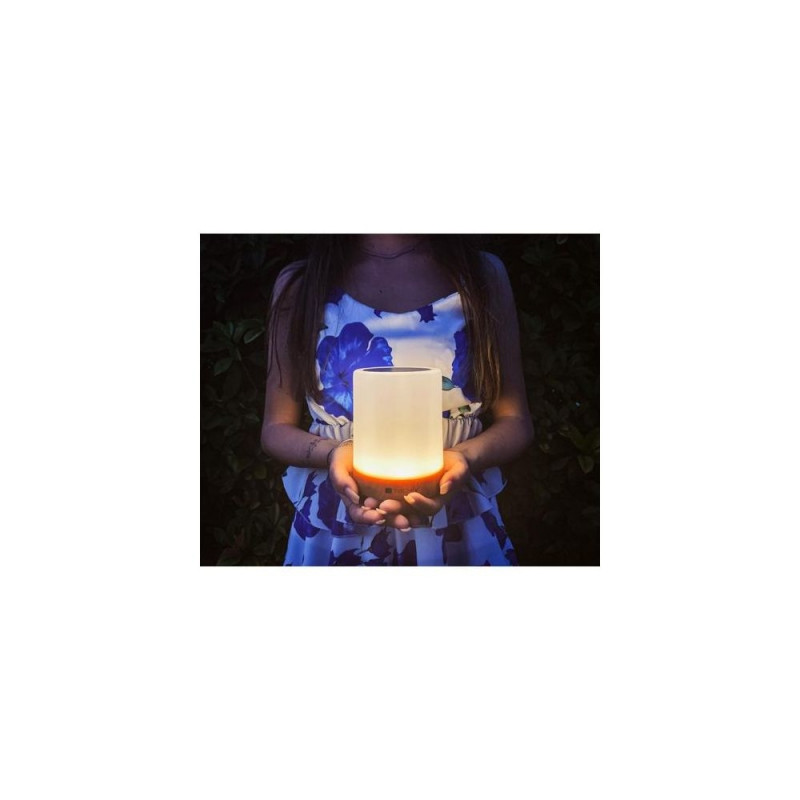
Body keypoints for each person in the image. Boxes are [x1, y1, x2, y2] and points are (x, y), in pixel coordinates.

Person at [261, 234, 534, 566]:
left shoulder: (480, 274)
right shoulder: (303, 283)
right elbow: (275, 428)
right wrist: (335, 454)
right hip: (336, 526)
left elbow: (515, 421)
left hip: (460, 523)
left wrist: (462, 459)